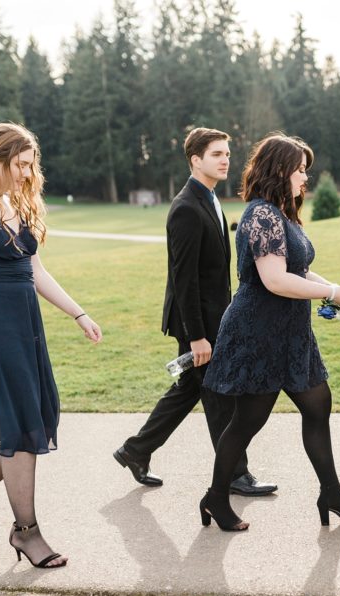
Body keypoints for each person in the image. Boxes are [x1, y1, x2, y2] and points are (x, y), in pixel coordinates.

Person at [0, 122, 102, 568]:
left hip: (26, 329)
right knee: (21, 429)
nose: (28, 174)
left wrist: (78, 312)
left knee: (33, 421)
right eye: (21, 164)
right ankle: (26, 532)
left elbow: (36, 272)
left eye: (32, 166)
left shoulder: (15, 204)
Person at [200, 133, 340, 531]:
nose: (304, 178)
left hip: (291, 331)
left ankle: (331, 493)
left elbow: (298, 271)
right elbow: (275, 280)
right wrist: (329, 292)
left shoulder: (282, 213)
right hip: (258, 331)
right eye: (300, 170)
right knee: (247, 421)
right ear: (280, 170)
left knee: (317, 404)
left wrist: (339, 291)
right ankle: (215, 497)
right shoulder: (261, 216)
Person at [112, 127, 276, 497]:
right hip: (198, 322)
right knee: (219, 397)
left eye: (227, 154)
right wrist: (197, 336)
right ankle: (235, 473)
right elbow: (183, 279)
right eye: (216, 154)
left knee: (190, 389)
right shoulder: (186, 207)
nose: (224, 160)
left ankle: (136, 450)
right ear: (195, 160)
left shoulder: (210, 199)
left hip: (212, 317)